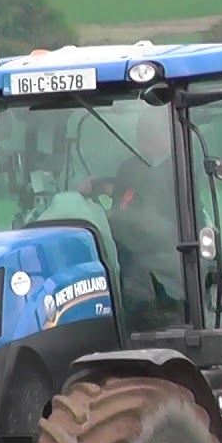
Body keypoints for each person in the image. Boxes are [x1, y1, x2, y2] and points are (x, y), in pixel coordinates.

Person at [80, 112, 184, 331]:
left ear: (167, 134)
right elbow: (123, 201)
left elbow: (153, 219)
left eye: (149, 133)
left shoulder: (181, 168)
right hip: (129, 257)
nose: (142, 138)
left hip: (167, 261)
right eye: (140, 132)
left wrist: (120, 215)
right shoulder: (129, 168)